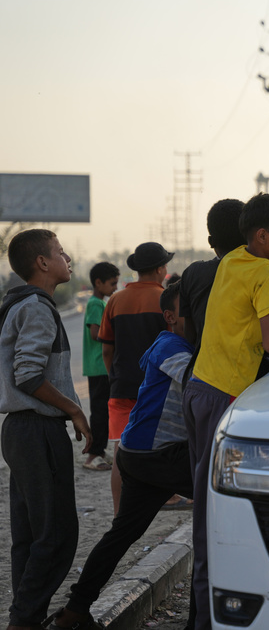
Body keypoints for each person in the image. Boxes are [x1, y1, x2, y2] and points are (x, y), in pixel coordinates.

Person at [183, 193, 269, 630]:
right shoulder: (264, 271)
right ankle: (207, 621)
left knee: (205, 510)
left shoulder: (235, 259)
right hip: (227, 396)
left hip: (199, 389)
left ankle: (197, 614)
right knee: (215, 520)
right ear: (263, 236)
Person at [49, 282, 196, 630]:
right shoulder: (172, 347)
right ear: (171, 318)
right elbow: (203, 383)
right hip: (155, 455)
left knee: (121, 534)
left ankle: (75, 611)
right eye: (192, 309)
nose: (199, 314)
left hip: (139, 454)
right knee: (220, 502)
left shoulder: (174, 343)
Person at [1, 229, 91, 630]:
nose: (67, 257)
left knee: (30, 535)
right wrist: (74, 409)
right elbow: (27, 374)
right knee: (55, 536)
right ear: (42, 263)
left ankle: (26, 617)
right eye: (59, 252)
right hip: (37, 431)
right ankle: (23, 621)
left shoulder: (15, 302)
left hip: (18, 431)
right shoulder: (36, 306)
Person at [98, 241, 173, 514]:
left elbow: (107, 348)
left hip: (121, 387)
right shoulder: (164, 299)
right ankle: (166, 499)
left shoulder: (116, 300)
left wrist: (114, 377)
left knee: (121, 451)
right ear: (160, 269)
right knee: (163, 446)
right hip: (156, 388)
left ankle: (120, 512)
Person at [179, 199, 246, 347]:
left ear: (211, 241)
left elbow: (189, 335)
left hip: (203, 365)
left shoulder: (192, 273)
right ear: (249, 236)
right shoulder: (259, 270)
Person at [82, 261, 119, 471]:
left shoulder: (101, 303)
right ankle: (93, 455)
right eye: (112, 283)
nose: (115, 288)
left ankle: (99, 451)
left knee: (103, 412)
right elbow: (96, 333)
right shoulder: (96, 304)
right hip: (99, 366)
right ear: (99, 283)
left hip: (100, 367)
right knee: (100, 413)